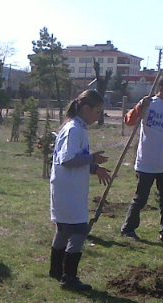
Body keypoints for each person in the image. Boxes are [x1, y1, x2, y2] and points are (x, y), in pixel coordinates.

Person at [49, 90, 111, 291]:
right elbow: (68, 160)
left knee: (63, 230)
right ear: (86, 108)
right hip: (68, 190)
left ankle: (56, 270)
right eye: (98, 111)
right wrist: (93, 159)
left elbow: (76, 158)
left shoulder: (77, 128)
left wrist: (94, 168)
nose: (99, 116)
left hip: (67, 187)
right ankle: (69, 278)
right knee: (78, 231)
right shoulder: (75, 129)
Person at [120, 72, 163, 244]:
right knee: (140, 198)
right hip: (145, 162)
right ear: (161, 89)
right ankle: (128, 229)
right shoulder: (148, 104)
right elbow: (129, 121)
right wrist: (140, 107)